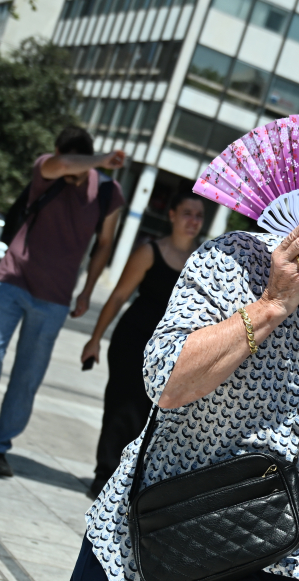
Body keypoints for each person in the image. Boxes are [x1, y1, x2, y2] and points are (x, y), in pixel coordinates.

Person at [69, 105, 299, 581]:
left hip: (275, 556)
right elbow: (167, 383)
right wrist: (269, 306)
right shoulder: (233, 260)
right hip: (149, 538)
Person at [0, 127, 125, 477]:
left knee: (28, 375)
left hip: (55, 298)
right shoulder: (47, 167)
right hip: (13, 279)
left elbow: (105, 242)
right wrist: (100, 160)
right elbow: (61, 164)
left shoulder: (107, 191)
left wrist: (87, 290)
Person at [80, 191, 205, 498]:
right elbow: (119, 296)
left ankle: (132, 479)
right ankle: (104, 473)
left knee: (155, 415)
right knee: (122, 407)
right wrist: (95, 339)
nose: (194, 221)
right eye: (188, 213)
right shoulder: (149, 251)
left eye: (199, 216)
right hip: (133, 341)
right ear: (172, 214)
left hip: (176, 350)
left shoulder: (203, 260)